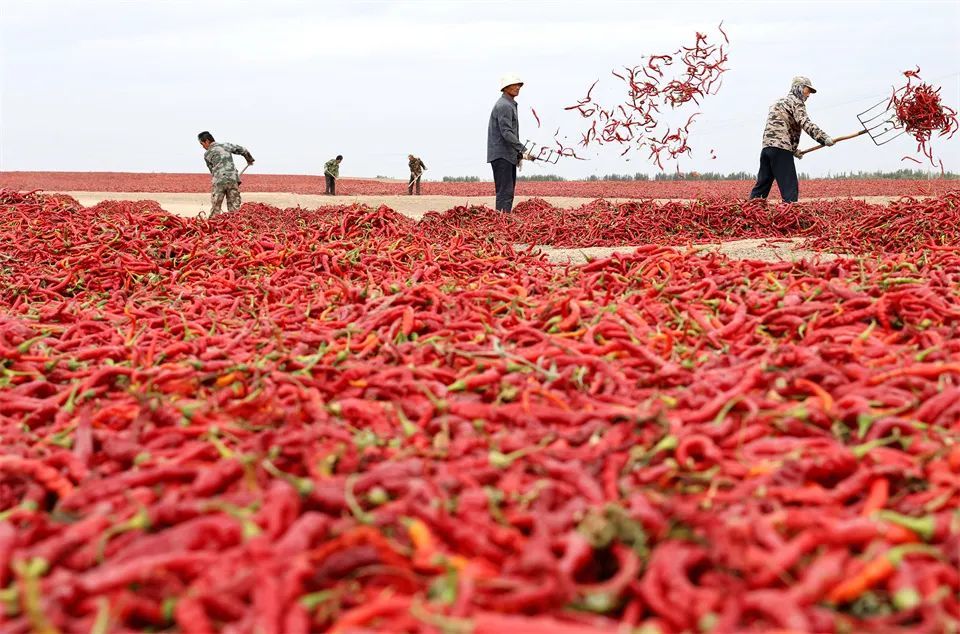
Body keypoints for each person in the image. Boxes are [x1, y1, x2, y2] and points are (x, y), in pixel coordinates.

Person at [748, 76, 834, 203]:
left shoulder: (777, 103)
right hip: (781, 149)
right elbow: (805, 122)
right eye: (807, 90)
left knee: (762, 186)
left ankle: (749, 214)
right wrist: (823, 138)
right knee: (790, 188)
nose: (808, 95)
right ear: (798, 88)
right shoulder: (797, 102)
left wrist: (793, 150)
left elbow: (782, 128)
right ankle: (789, 218)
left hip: (767, 148)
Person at [487, 73, 534, 212]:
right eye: (514, 85)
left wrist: (518, 154)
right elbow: (506, 132)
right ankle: (502, 221)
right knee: (505, 192)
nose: (517, 87)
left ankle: (503, 220)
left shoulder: (509, 104)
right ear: (505, 87)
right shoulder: (504, 105)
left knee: (507, 191)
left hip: (507, 154)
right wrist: (523, 149)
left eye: (519, 85)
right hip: (502, 155)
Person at [198, 131, 254, 217]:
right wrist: (249, 159)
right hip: (232, 180)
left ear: (207, 141)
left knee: (215, 208)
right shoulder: (225, 146)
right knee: (234, 208)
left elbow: (212, 170)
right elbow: (243, 150)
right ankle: (235, 225)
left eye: (202, 144)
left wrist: (218, 177)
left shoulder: (207, 154)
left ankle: (213, 226)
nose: (203, 147)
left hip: (218, 181)